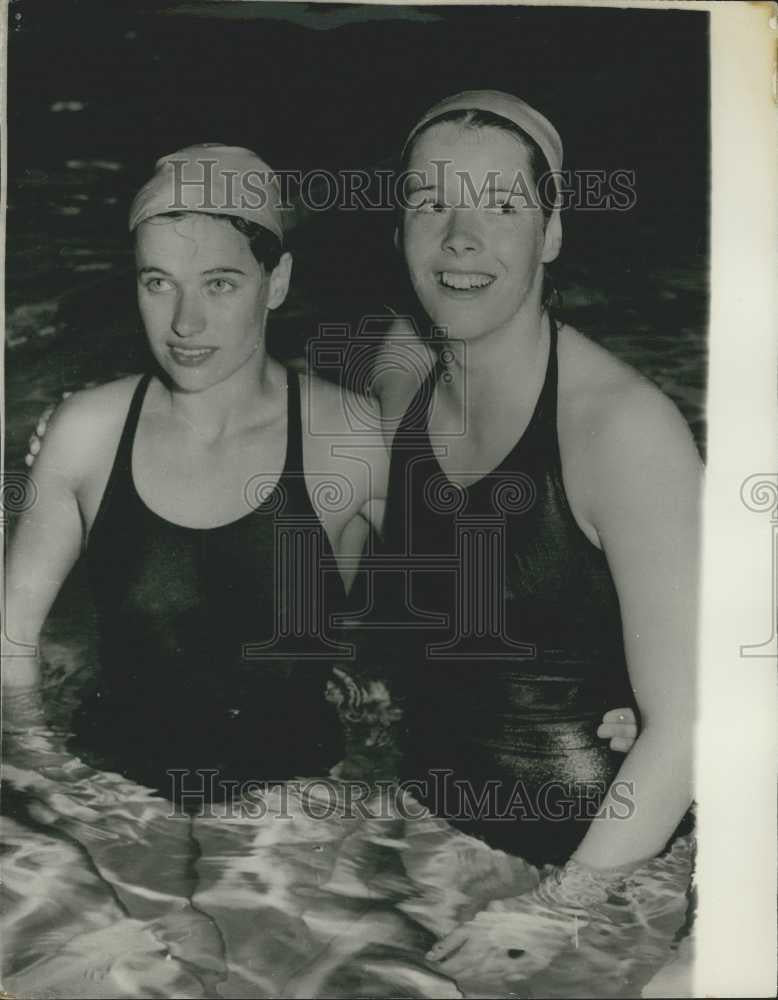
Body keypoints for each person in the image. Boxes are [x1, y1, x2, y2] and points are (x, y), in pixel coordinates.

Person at [368, 90, 699, 877]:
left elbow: (689, 728)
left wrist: (559, 916)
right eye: (431, 203)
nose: (460, 239)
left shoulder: (623, 430)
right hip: (423, 825)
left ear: (551, 233)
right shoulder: (396, 369)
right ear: (398, 228)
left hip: (601, 864)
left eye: (503, 207)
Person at [3, 144, 389, 803]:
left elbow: (484, 623)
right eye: (158, 282)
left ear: (278, 281)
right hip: (112, 794)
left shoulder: (354, 435)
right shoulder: (87, 432)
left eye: (219, 283)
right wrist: (56, 782)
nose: (185, 322)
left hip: (296, 808)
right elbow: (11, 646)